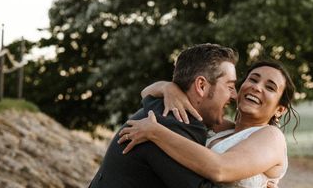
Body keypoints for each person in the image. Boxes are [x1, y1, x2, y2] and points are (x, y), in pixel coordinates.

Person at [118, 60, 299, 188]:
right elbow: (146, 93)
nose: (257, 87)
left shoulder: (271, 136)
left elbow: (220, 169)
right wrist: (169, 88)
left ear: (280, 109)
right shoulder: (222, 127)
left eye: (270, 87)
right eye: (253, 79)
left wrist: (155, 133)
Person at [88, 43, 239, 187]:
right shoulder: (173, 123)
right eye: (230, 86)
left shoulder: (161, 111)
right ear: (201, 86)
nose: (235, 95)